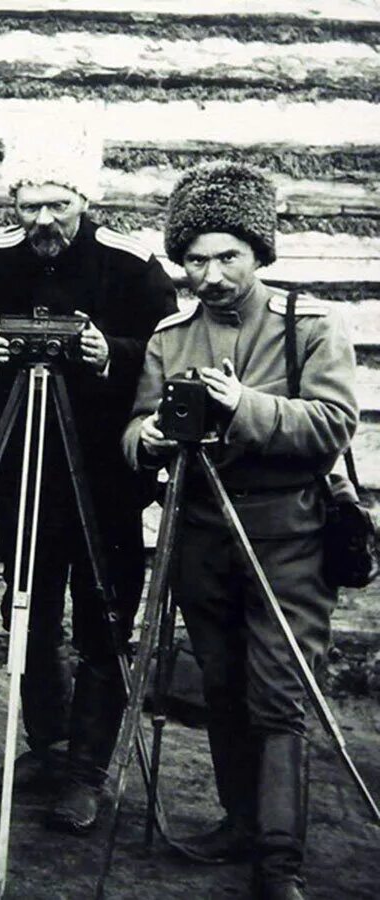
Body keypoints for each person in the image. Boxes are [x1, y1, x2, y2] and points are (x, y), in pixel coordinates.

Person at [122, 162, 357, 900]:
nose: (211, 273)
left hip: (288, 534)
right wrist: (151, 438)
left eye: (228, 256)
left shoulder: (308, 327)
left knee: (280, 693)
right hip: (199, 532)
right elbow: (135, 428)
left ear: (258, 252)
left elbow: (332, 424)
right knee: (221, 683)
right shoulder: (170, 336)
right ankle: (240, 819)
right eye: (195, 259)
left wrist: (245, 406)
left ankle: (280, 858)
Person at [0, 123, 177, 832]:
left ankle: (86, 771)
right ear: (14, 206)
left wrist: (105, 349)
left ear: (84, 198)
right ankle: (46, 749)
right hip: (20, 467)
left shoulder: (130, 266)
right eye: (29, 207)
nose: (44, 221)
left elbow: (167, 356)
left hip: (105, 477)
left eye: (58, 204)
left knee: (103, 616)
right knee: (25, 614)